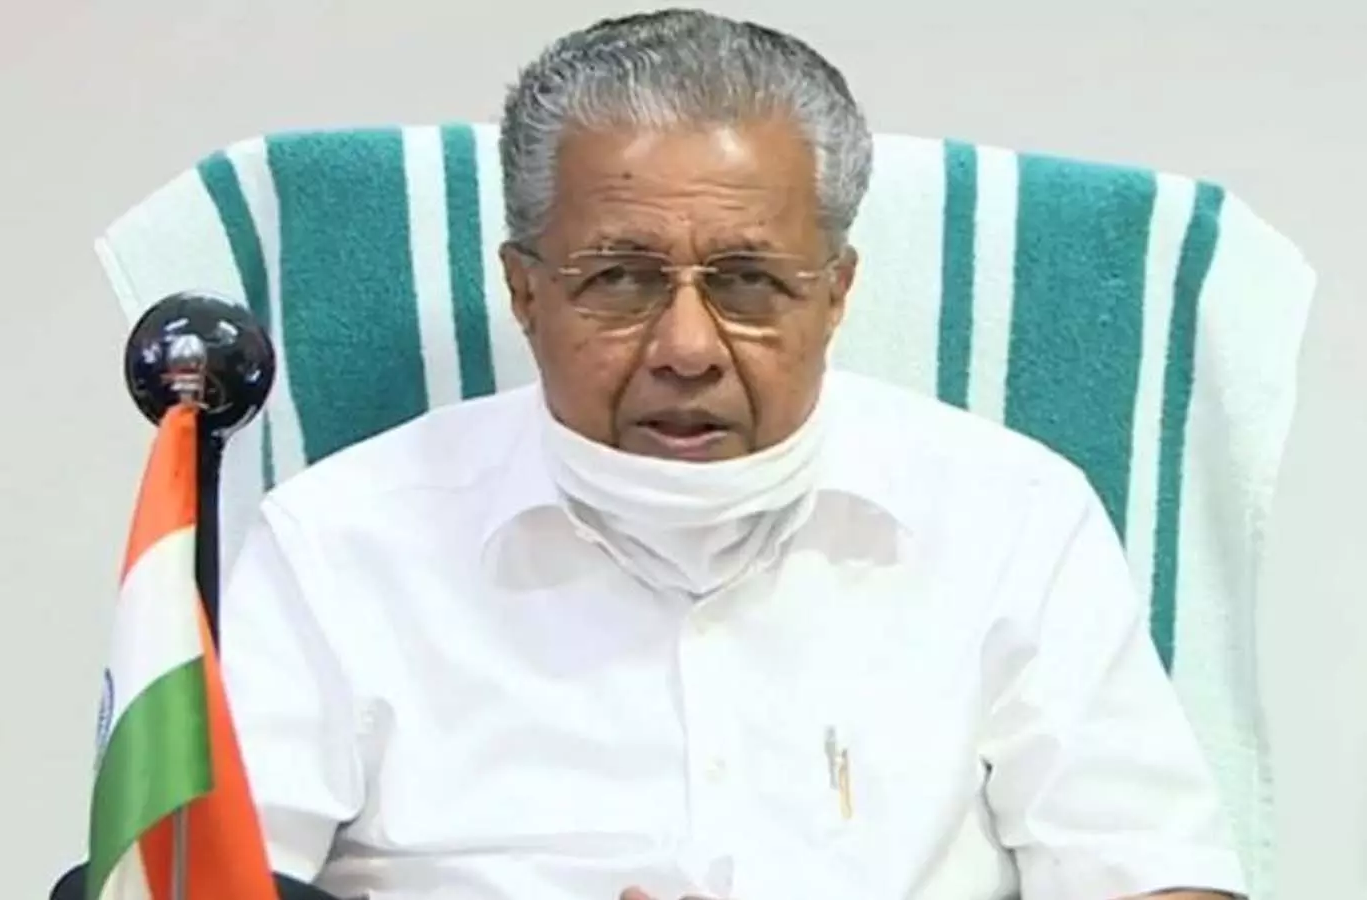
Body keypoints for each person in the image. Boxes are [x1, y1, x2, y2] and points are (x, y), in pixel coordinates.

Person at [219, 9, 1246, 900]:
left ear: (835, 295)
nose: (687, 349)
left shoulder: (1012, 517)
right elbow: (205, 881)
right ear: (525, 292)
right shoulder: (340, 542)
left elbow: (1153, 873)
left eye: (749, 281)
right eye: (619, 278)